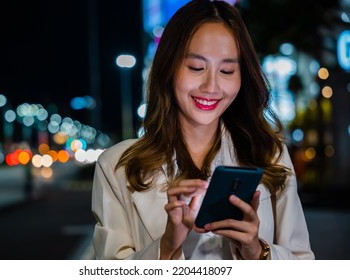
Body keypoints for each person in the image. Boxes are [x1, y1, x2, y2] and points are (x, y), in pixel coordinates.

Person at [90, 0, 314, 260]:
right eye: (196, 67)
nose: (211, 86)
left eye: (227, 70)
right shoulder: (116, 166)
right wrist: (165, 247)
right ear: (168, 68)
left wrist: (257, 251)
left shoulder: (270, 155)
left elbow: (303, 262)